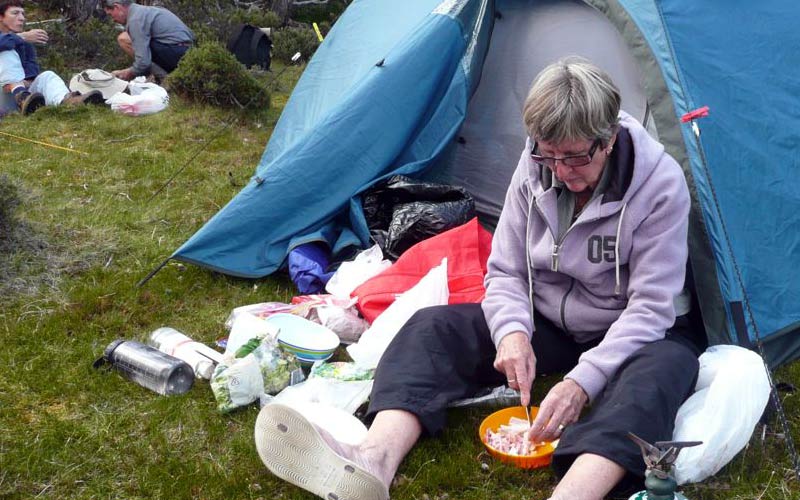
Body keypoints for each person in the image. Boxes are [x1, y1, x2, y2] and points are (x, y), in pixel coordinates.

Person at [254, 58, 705, 500]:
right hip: (549, 320)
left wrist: (581, 382)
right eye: (549, 156)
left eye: (575, 157)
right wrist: (511, 333)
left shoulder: (659, 185)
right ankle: (373, 461)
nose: (562, 172)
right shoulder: (536, 164)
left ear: (608, 141)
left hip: (630, 329)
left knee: (657, 378)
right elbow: (506, 269)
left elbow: (650, 308)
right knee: (431, 328)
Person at [0, 0, 104, 115]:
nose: (22, 18)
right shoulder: (24, 38)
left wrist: (15, 83)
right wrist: (22, 37)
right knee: (7, 51)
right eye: (15, 13)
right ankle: (21, 95)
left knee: (47, 76)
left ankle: (67, 102)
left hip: (15, 97)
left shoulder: (25, 43)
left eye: (23, 14)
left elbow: (31, 76)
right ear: (1, 17)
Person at [103, 0, 194, 82]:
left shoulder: (135, 19)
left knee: (123, 38)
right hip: (189, 53)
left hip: (176, 54)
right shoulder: (148, 10)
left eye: (111, 15)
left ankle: (166, 81)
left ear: (117, 7)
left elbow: (143, 62)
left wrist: (129, 73)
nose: (113, 20)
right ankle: (162, 78)